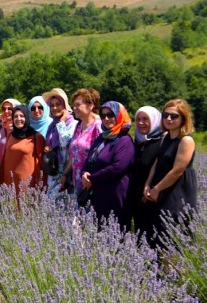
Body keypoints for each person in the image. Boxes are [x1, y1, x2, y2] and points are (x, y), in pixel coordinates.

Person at [142, 99, 197, 249]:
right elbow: (157, 163)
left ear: (183, 118)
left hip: (177, 192)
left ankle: (174, 271)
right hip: (159, 187)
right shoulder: (165, 137)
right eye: (165, 115)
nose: (168, 119)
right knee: (156, 233)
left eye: (174, 116)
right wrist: (148, 185)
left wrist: (156, 189)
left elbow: (177, 170)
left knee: (173, 235)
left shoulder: (186, 140)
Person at [81, 101, 135, 229]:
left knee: (116, 231)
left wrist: (92, 179)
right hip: (99, 194)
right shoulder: (102, 137)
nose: (106, 118)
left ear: (119, 115)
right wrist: (84, 173)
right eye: (103, 115)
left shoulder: (124, 140)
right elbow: (90, 159)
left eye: (110, 115)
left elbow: (118, 167)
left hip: (115, 194)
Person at [0, 105, 45, 200]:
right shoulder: (10, 135)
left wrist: (39, 185)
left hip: (27, 184)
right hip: (9, 182)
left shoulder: (36, 137)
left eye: (22, 116)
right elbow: (5, 160)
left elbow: (40, 163)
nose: (19, 119)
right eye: (15, 116)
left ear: (27, 117)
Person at [128, 106, 162, 235]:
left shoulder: (160, 143)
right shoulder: (137, 142)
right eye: (138, 119)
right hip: (136, 196)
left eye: (145, 119)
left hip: (151, 197)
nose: (141, 123)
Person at [63, 88, 101, 195]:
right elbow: (74, 154)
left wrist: (91, 177)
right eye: (74, 105)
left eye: (78, 105)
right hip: (77, 183)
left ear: (90, 106)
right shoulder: (79, 126)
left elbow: (102, 156)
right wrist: (65, 175)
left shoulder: (99, 126)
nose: (74, 108)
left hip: (91, 184)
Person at [42, 88, 77, 198]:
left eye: (58, 104)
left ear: (65, 105)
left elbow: (65, 143)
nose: (55, 108)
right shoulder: (52, 125)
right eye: (52, 105)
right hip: (53, 173)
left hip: (67, 174)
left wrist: (62, 123)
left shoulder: (73, 124)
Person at [0, 99, 21, 181]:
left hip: (16, 166)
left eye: (10, 109)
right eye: (4, 108)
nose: (6, 111)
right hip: (0, 167)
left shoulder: (20, 127)